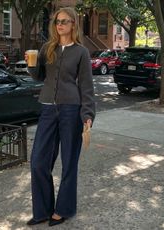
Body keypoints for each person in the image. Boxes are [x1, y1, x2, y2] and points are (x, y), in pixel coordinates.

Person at [25, 7, 95, 227]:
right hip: (47, 109)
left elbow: (86, 86)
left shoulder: (81, 52)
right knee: (38, 162)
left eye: (64, 21)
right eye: (57, 21)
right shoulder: (48, 48)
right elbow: (39, 77)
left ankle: (63, 210)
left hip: (71, 111)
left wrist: (87, 114)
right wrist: (31, 63)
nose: (60, 24)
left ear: (73, 23)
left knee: (69, 163)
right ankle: (43, 211)